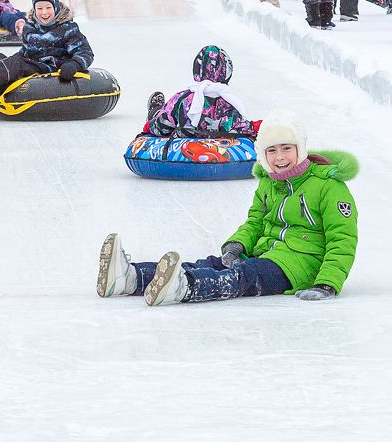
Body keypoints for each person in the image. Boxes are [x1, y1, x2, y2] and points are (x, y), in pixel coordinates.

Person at [97, 110, 358, 306]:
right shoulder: (269, 183)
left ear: (300, 149)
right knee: (212, 263)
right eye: (272, 151)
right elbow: (255, 222)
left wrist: (327, 283)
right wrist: (237, 245)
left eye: (287, 149)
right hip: (265, 252)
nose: (279, 158)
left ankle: (184, 287)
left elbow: (342, 239)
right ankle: (132, 277)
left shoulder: (327, 186)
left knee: (244, 275)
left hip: (300, 265)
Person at [146, 45, 255, 138]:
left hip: (184, 149)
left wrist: (150, 126)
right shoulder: (231, 104)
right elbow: (243, 131)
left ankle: (155, 111)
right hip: (216, 151)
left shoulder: (182, 98)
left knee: (163, 113)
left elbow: (163, 126)